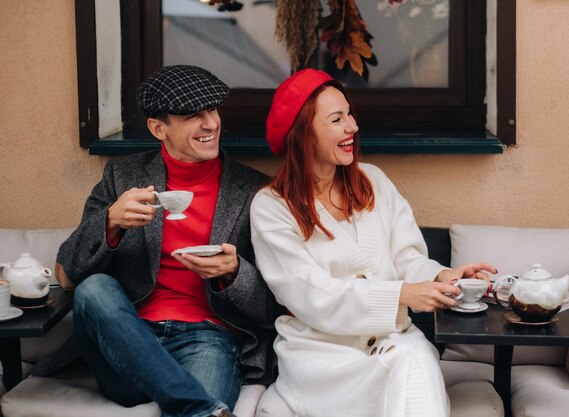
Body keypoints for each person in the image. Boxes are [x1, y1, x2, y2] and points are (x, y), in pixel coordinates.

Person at [249, 69, 497, 417]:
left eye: (349, 114)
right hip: (322, 356)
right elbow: (312, 295)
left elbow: (407, 259)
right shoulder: (271, 208)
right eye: (337, 119)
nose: (352, 126)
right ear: (303, 133)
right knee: (410, 368)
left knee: (413, 362)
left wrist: (443, 276)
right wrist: (401, 295)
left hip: (394, 342)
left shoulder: (373, 181)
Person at [56, 65, 283, 417]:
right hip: (129, 338)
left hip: (207, 338)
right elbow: (66, 276)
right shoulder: (123, 176)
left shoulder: (255, 191)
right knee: (95, 288)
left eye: (213, 110)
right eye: (194, 115)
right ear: (157, 128)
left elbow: (272, 310)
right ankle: (199, 407)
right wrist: (111, 222)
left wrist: (236, 272)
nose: (210, 124)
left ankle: (192, 406)